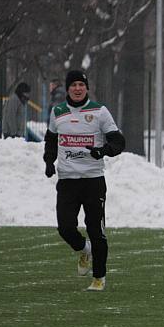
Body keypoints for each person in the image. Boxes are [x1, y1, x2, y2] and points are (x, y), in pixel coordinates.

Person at [43, 70, 126, 292]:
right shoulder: (57, 112)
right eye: (73, 85)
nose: (77, 88)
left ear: (86, 88)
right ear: (68, 89)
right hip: (68, 181)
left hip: (93, 180)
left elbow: (119, 141)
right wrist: (49, 162)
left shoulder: (100, 112)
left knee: (96, 230)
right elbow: (50, 141)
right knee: (65, 228)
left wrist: (103, 151)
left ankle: (99, 278)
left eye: (81, 84)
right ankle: (84, 249)